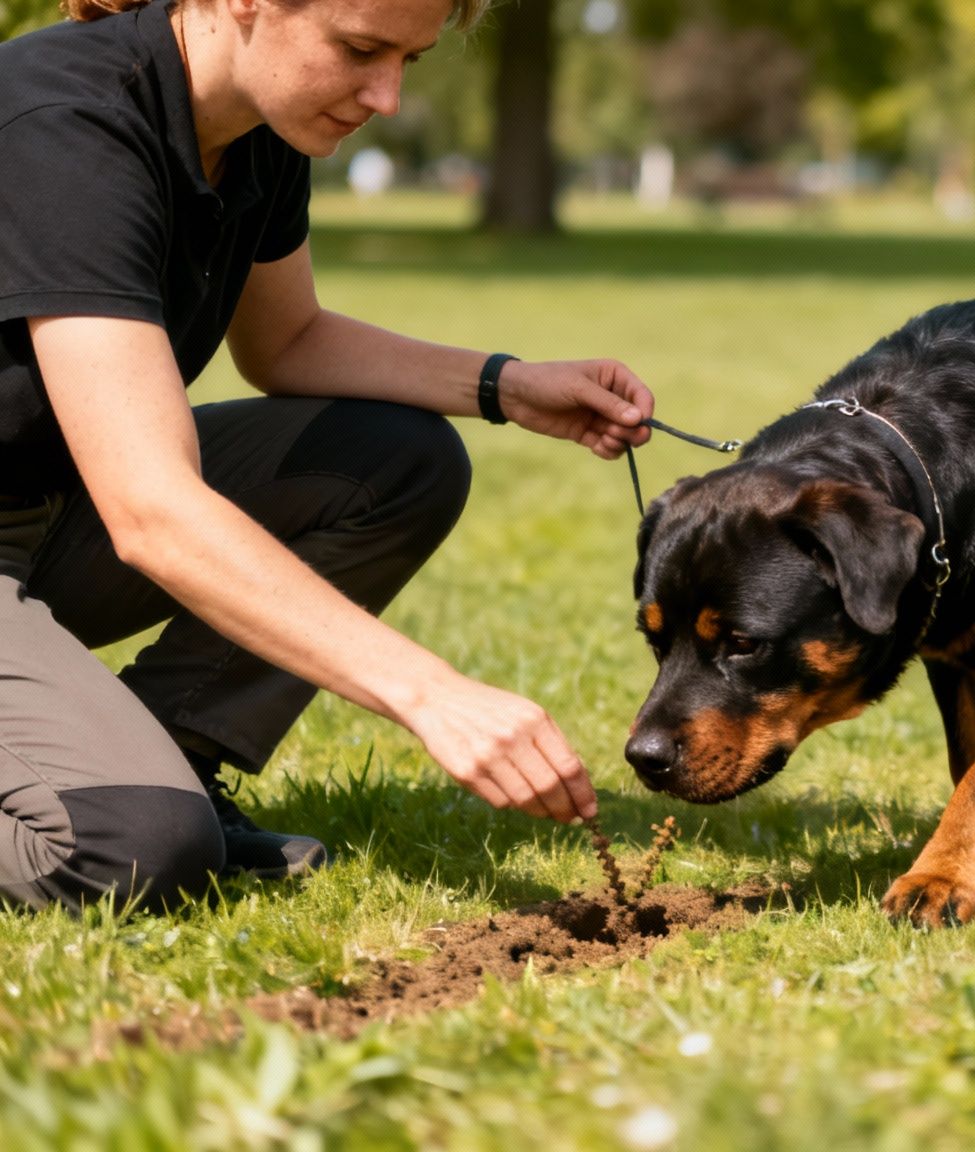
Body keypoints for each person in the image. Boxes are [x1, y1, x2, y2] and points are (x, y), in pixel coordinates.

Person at [0, 0, 656, 912]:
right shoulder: (65, 121)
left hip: (51, 519)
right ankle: (135, 799)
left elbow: (288, 342)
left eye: (409, 62)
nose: (384, 96)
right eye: (358, 49)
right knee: (129, 851)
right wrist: (430, 694)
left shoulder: (258, 129)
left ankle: (167, 758)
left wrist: (507, 386)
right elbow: (151, 510)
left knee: (396, 459)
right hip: (78, 518)